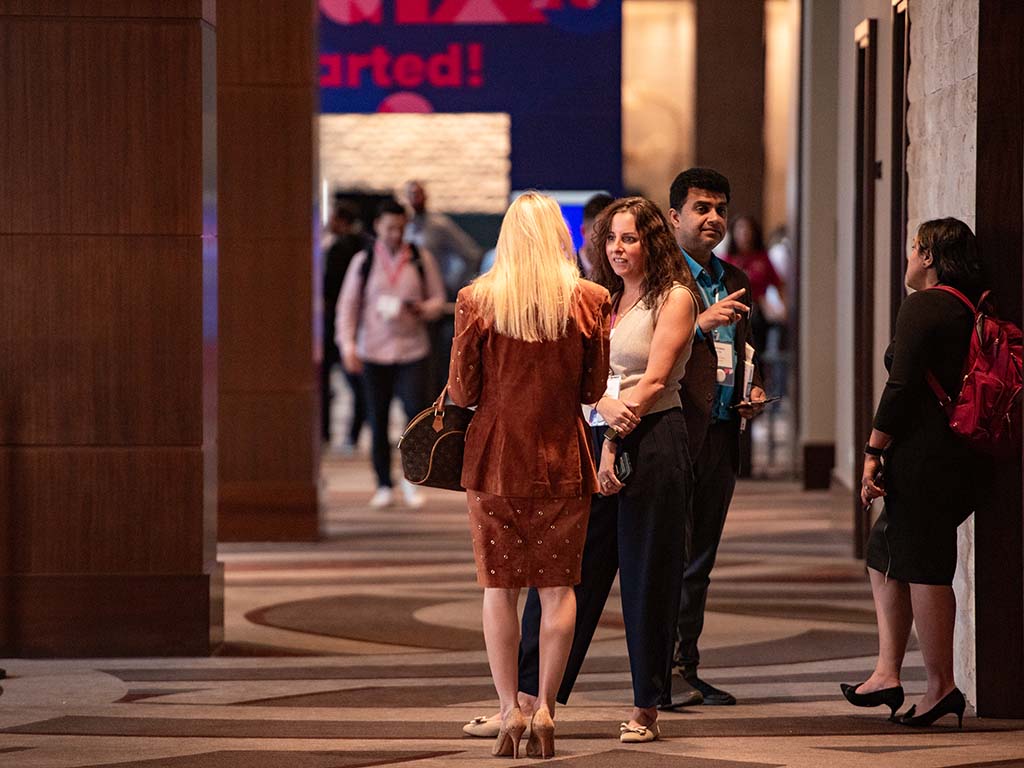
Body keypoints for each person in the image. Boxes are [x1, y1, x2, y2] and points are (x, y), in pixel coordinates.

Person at [465, 196, 700, 745]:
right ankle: (526, 702)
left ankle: (646, 708)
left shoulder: (676, 297)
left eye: (631, 239)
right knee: (565, 575)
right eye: (611, 239)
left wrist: (614, 438)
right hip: (589, 439)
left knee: (648, 578)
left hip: (650, 439)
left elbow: (656, 380)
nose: (619, 249)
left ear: (653, 243)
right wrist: (601, 433)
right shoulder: (601, 296)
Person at [448, 192, 611, 759]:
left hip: (494, 460)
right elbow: (593, 391)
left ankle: (507, 710)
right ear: (561, 238)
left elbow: (464, 392)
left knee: (499, 588)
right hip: (563, 458)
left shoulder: (477, 300)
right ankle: (545, 706)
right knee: (559, 587)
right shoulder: (590, 300)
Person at [843, 218, 985, 728]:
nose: (907, 256)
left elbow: (900, 387)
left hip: (925, 458)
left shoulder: (924, 305)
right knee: (884, 553)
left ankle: (941, 687)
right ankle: (887, 672)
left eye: (912, 248)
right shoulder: (969, 307)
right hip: (953, 456)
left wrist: (871, 450)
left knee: (925, 565)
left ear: (928, 256)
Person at [665, 168, 767, 707]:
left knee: (700, 556)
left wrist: (752, 389)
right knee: (665, 554)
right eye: (702, 208)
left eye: (721, 209)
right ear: (674, 216)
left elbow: (746, 351)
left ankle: (687, 664)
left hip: (724, 430)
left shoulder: (731, 278)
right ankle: (655, 672)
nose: (714, 218)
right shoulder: (659, 280)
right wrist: (698, 323)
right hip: (670, 431)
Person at [336, 199, 446, 508]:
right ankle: (383, 483)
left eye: (401, 228)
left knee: (414, 418)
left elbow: (438, 299)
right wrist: (347, 345)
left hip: (413, 350)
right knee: (377, 417)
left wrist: (422, 308)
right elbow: (348, 308)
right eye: (390, 228)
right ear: (377, 227)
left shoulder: (420, 258)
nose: (396, 234)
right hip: (373, 350)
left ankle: (413, 480)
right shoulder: (364, 261)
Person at [404, 180, 484, 395]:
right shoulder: (406, 228)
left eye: (418, 194)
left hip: (438, 299)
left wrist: (450, 282)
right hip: (413, 301)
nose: (415, 199)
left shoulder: (439, 226)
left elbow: (471, 253)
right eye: (410, 194)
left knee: (436, 360)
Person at [322, 200, 369, 450]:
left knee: (338, 381)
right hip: (354, 322)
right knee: (357, 383)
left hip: (334, 323)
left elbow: (329, 287)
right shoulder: (365, 245)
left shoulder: (340, 247)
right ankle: (352, 433)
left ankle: (327, 434)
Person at [576, 193, 614, 277]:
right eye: (601, 233)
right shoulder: (565, 270)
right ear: (584, 231)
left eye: (612, 237)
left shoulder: (619, 273)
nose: (608, 242)